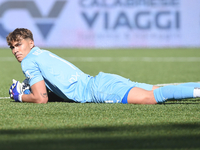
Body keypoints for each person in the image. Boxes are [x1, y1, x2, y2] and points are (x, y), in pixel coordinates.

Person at [6, 28, 200, 104]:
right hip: (102, 80)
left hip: (100, 90)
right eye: (12, 47)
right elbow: (54, 88)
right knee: (159, 90)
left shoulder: (29, 61)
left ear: (31, 43)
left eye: (19, 45)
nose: (16, 51)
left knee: (152, 97)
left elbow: (41, 99)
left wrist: (20, 96)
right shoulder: (41, 53)